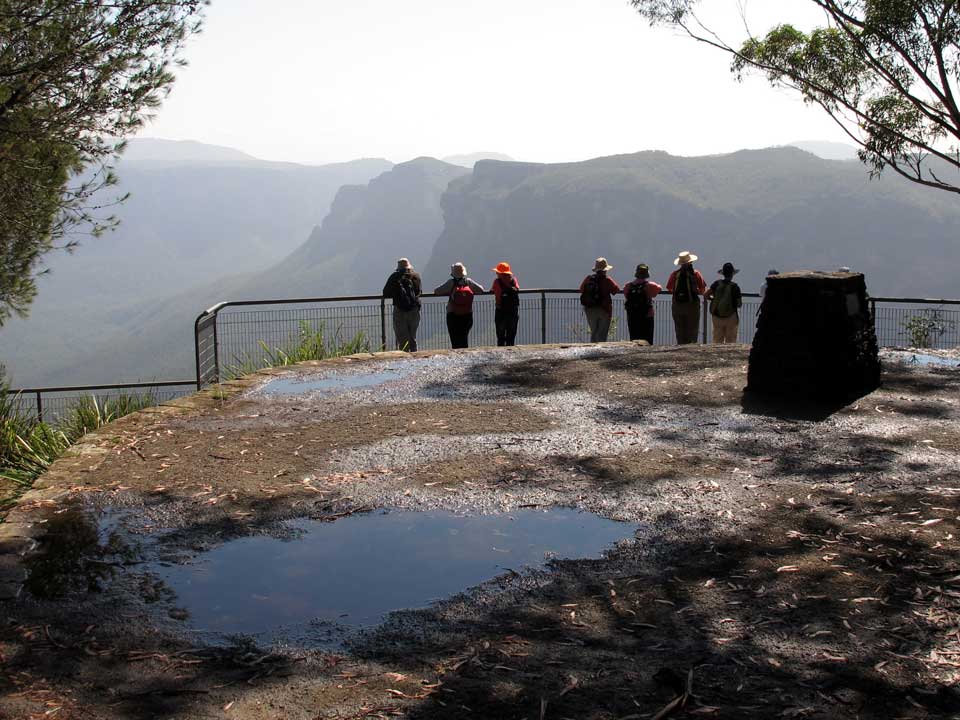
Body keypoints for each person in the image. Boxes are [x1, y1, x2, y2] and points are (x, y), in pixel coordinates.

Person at [435, 262, 485, 349]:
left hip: (453, 315)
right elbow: (481, 290)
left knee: (455, 339)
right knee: (464, 338)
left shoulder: (451, 283)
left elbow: (437, 291)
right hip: (467, 314)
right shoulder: (468, 282)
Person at [666, 251, 706, 344]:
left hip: (677, 305)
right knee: (693, 328)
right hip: (692, 305)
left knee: (680, 329)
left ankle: (681, 347)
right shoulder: (696, 274)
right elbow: (702, 289)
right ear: (691, 262)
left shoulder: (675, 274)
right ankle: (692, 348)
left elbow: (669, 288)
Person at [382, 258, 422, 352]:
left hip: (400, 309)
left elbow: (385, 293)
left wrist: (396, 294)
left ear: (398, 268)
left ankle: (404, 358)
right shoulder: (416, 276)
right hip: (414, 309)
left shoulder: (394, 276)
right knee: (412, 336)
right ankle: (415, 358)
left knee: (402, 338)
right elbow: (418, 292)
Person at [579, 258, 621, 343]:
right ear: (605, 270)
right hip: (604, 309)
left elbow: (581, 289)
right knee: (602, 334)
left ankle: (592, 352)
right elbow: (616, 290)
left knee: (594, 332)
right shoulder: (607, 280)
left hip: (590, 309)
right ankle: (600, 353)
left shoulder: (588, 278)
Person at [621, 263, 662, 344]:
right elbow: (659, 289)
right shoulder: (649, 285)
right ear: (647, 274)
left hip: (632, 316)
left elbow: (626, 295)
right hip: (647, 315)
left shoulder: (628, 286)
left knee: (634, 337)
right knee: (647, 338)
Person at [705, 262, 743, 344]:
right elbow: (739, 304)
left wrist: (713, 299)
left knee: (717, 340)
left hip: (717, 316)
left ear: (723, 273)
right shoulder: (735, 287)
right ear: (732, 274)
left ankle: (717, 355)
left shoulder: (717, 284)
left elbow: (706, 294)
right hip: (731, 317)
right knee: (731, 341)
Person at [491, 262, 521, 346]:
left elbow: (493, 291)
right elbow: (517, 288)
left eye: (497, 272)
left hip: (501, 311)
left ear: (500, 273)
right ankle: (510, 353)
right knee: (511, 336)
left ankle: (501, 355)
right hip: (513, 311)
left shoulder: (497, 282)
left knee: (500, 336)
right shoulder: (513, 280)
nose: (496, 273)